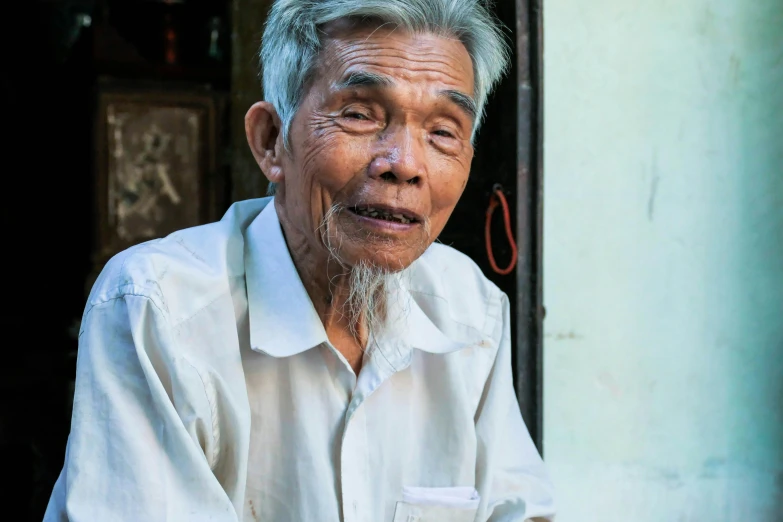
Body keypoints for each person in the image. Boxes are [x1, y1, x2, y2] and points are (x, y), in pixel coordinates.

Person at [44, 0, 555, 520]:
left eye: (443, 131)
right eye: (358, 114)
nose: (405, 165)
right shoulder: (157, 308)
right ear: (270, 141)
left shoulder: (468, 309)